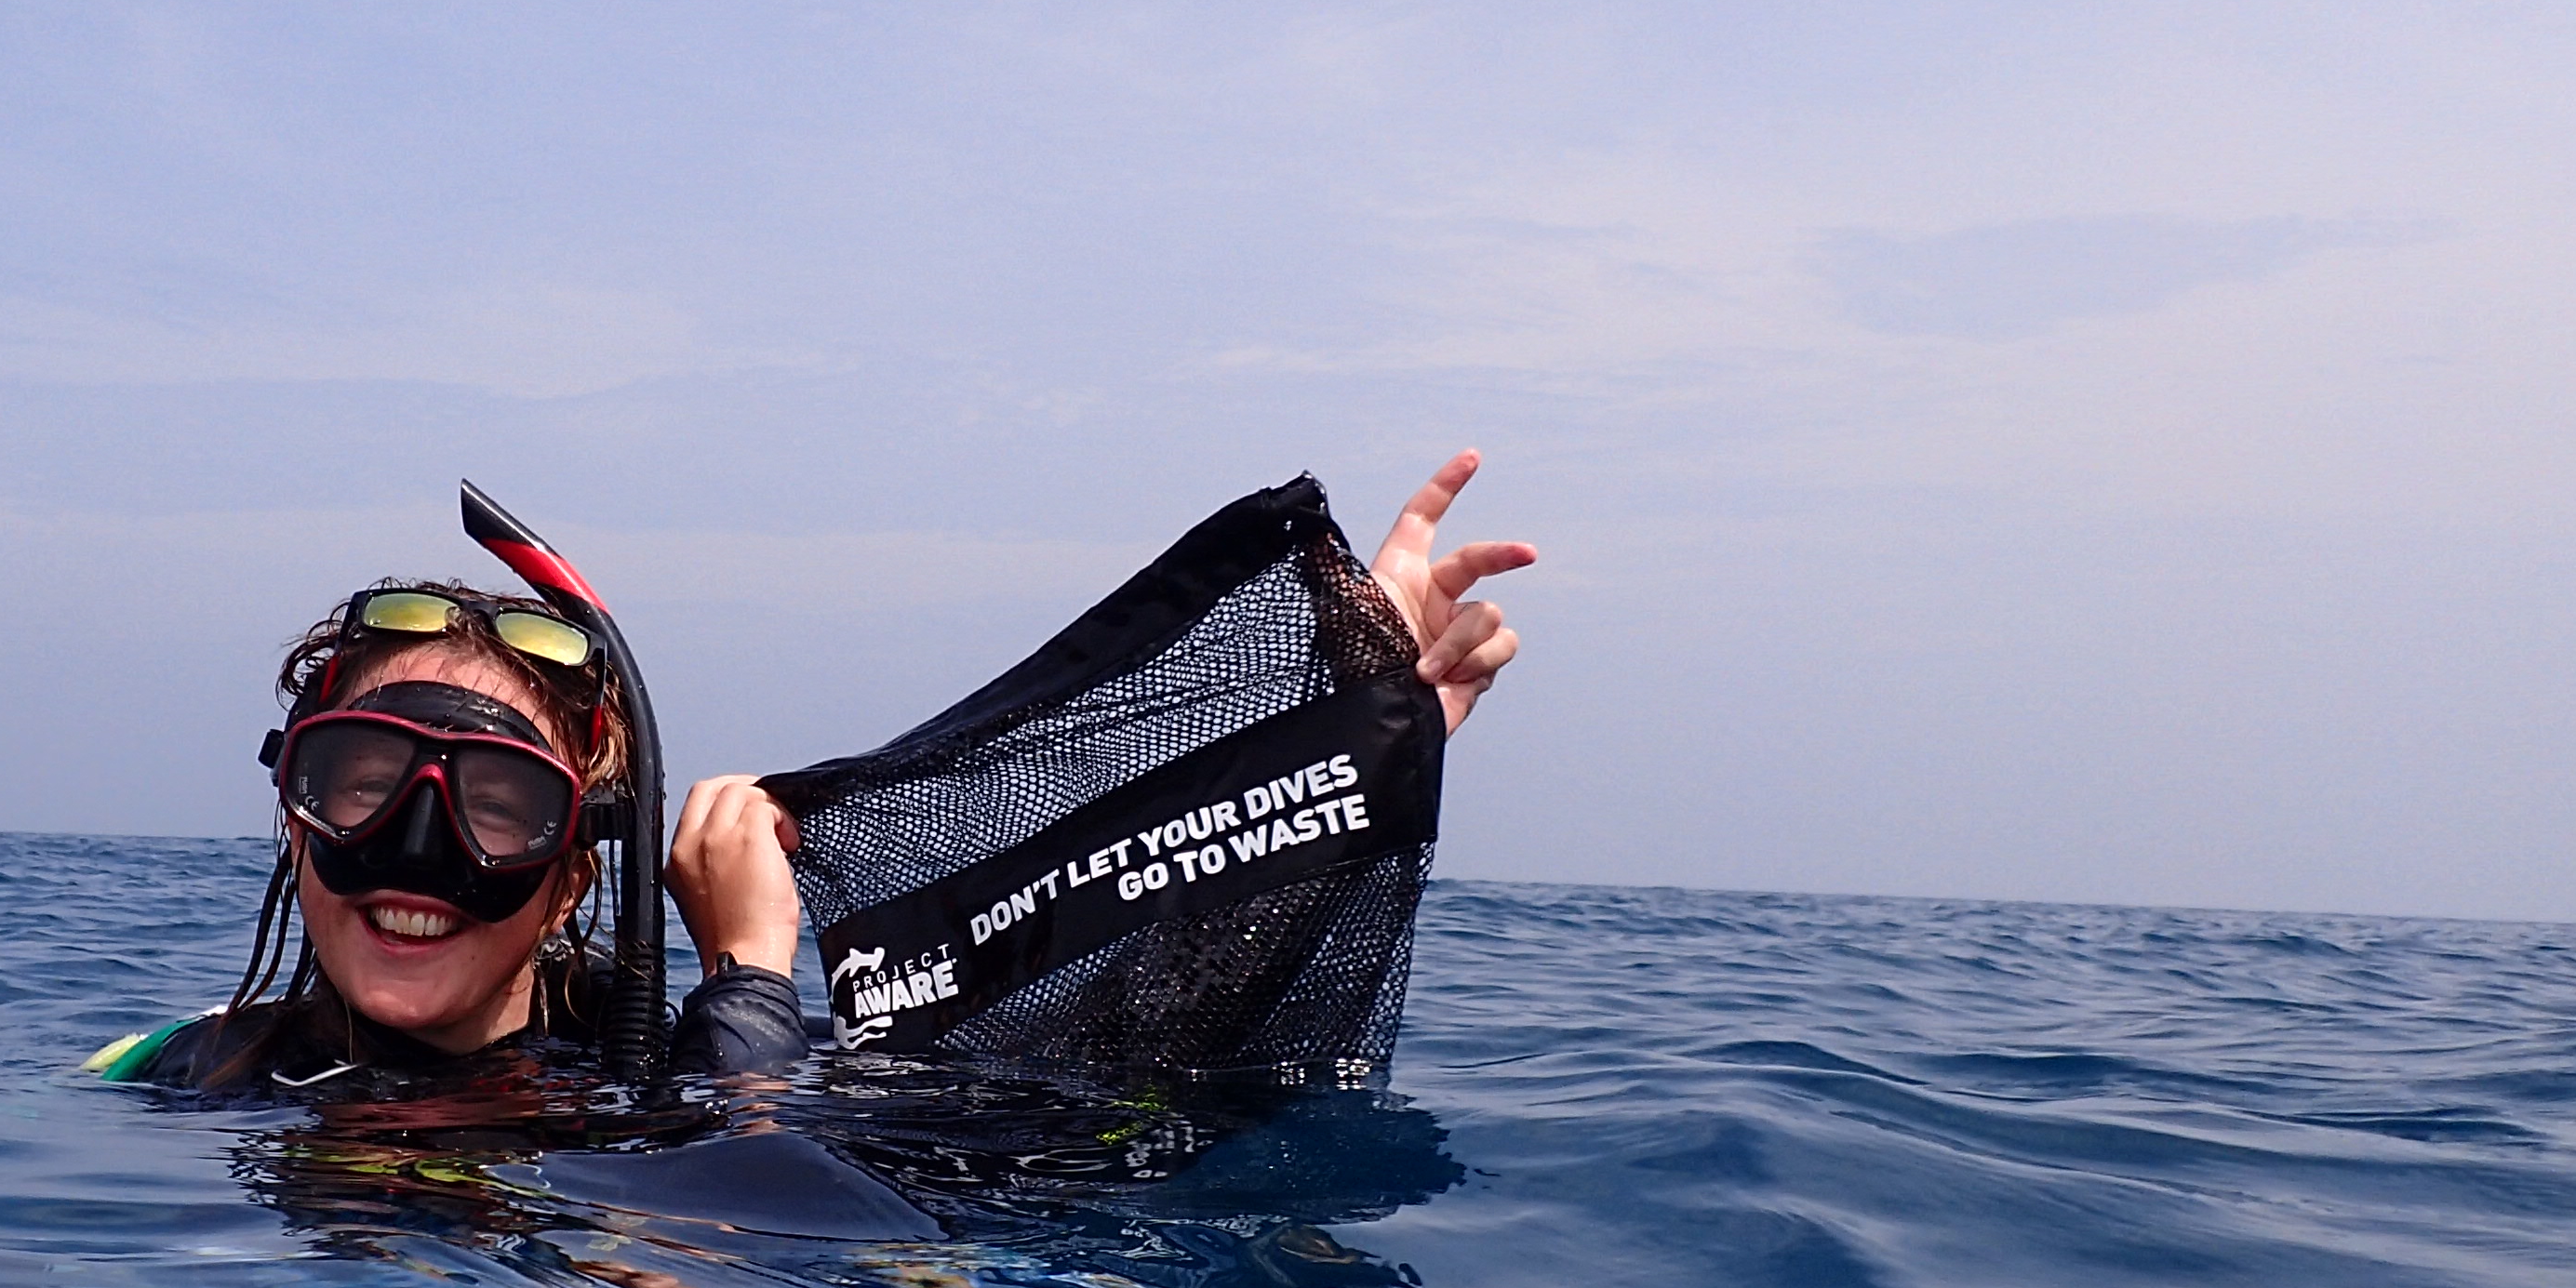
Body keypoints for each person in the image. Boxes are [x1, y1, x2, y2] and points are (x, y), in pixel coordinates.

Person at [90, 452, 1530, 1096]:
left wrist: (1334, 763)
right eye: (360, 782)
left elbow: (813, 1226)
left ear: (574, 866)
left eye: (497, 804)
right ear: (290, 817)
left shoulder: (675, 1070)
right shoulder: (184, 1070)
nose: (416, 854)